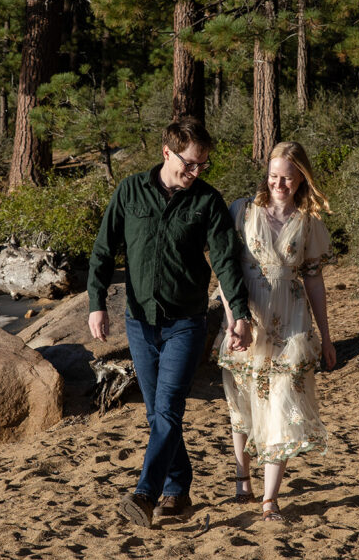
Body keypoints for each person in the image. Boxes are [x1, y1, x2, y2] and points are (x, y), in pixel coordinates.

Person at [87, 116, 253, 528]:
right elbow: (104, 250)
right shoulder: (130, 191)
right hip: (140, 321)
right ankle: (178, 488)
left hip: (186, 323)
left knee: (168, 410)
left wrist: (240, 315)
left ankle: (146, 493)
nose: (196, 172)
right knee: (156, 415)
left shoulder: (207, 202)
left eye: (202, 165)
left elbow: (227, 264)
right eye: (190, 163)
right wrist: (97, 302)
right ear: (167, 152)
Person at [216, 140, 336, 521]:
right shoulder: (243, 211)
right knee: (243, 403)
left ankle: (269, 499)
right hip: (246, 315)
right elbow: (225, 269)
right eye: (273, 176)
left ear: (301, 178)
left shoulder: (309, 222)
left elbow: (314, 281)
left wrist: (327, 336)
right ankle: (242, 479)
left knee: (282, 405)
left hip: (292, 321)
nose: (278, 184)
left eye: (286, 177)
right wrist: (235, 317)